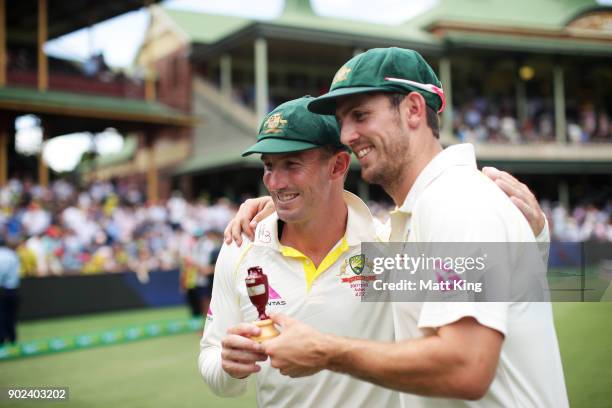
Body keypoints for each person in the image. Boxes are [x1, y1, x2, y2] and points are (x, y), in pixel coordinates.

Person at [226, 48, 567, 407]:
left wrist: (324, 352)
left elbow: (467, 366)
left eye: (360, 115)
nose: (347, 135)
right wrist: (286, 206)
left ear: (414, 110)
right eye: (343, 121)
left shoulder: (454, 201)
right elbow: (508, 294)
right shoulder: (417, 215)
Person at [199, 96, 401, 407]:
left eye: (292, 164)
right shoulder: (240, 247)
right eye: (268, 166)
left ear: (337, 166)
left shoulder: (389, 246)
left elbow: (490, 283)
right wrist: (228, 367)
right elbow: (211, 359)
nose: (275, 182)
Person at [0, 234, 21, 346]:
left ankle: (2, 339)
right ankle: (12, 339)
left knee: (2, 316)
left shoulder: (4, 255)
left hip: (3, 290)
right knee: (11, 316)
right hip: (13, 290)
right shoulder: (13, 255)